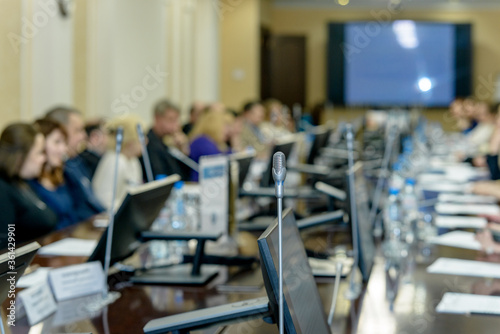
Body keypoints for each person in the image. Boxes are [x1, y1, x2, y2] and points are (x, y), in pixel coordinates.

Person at [29, 119, 104, 229]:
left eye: (64, 142)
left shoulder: (62, 176)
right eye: (57, 142)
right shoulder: (30, 184)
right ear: (40, 144)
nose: (63, 149)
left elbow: (77, 212)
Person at [0, 123, 57, 249]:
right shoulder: (3, 189)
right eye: (39, 153)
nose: (44, 159)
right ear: (19, 157)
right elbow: (6, 246)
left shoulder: (20, 182)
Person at [45, 106, 106, 213]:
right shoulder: (59, 169)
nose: (83, 136)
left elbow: (92, 202)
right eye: (78, 130)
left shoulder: (78, 162)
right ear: (61, 131)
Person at [92, 115, 144, 210]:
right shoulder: (115, 161)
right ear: (130, 142)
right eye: (141, 138)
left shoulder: (133, 161)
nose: (146, 141)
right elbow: (104, 200)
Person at [143, 99, 190, 181]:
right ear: (157, 118)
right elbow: (160, 175)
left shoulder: (166, 142)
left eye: (176, 120)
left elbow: (184, 175)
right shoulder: (149, 143)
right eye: (171, 120)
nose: (176, 124)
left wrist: (183, 149)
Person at [188, 109, 234, 181]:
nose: (229, 131)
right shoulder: (202, 141)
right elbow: (218, 162)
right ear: (214, 126)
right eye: (226, 126)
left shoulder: (216, 142)